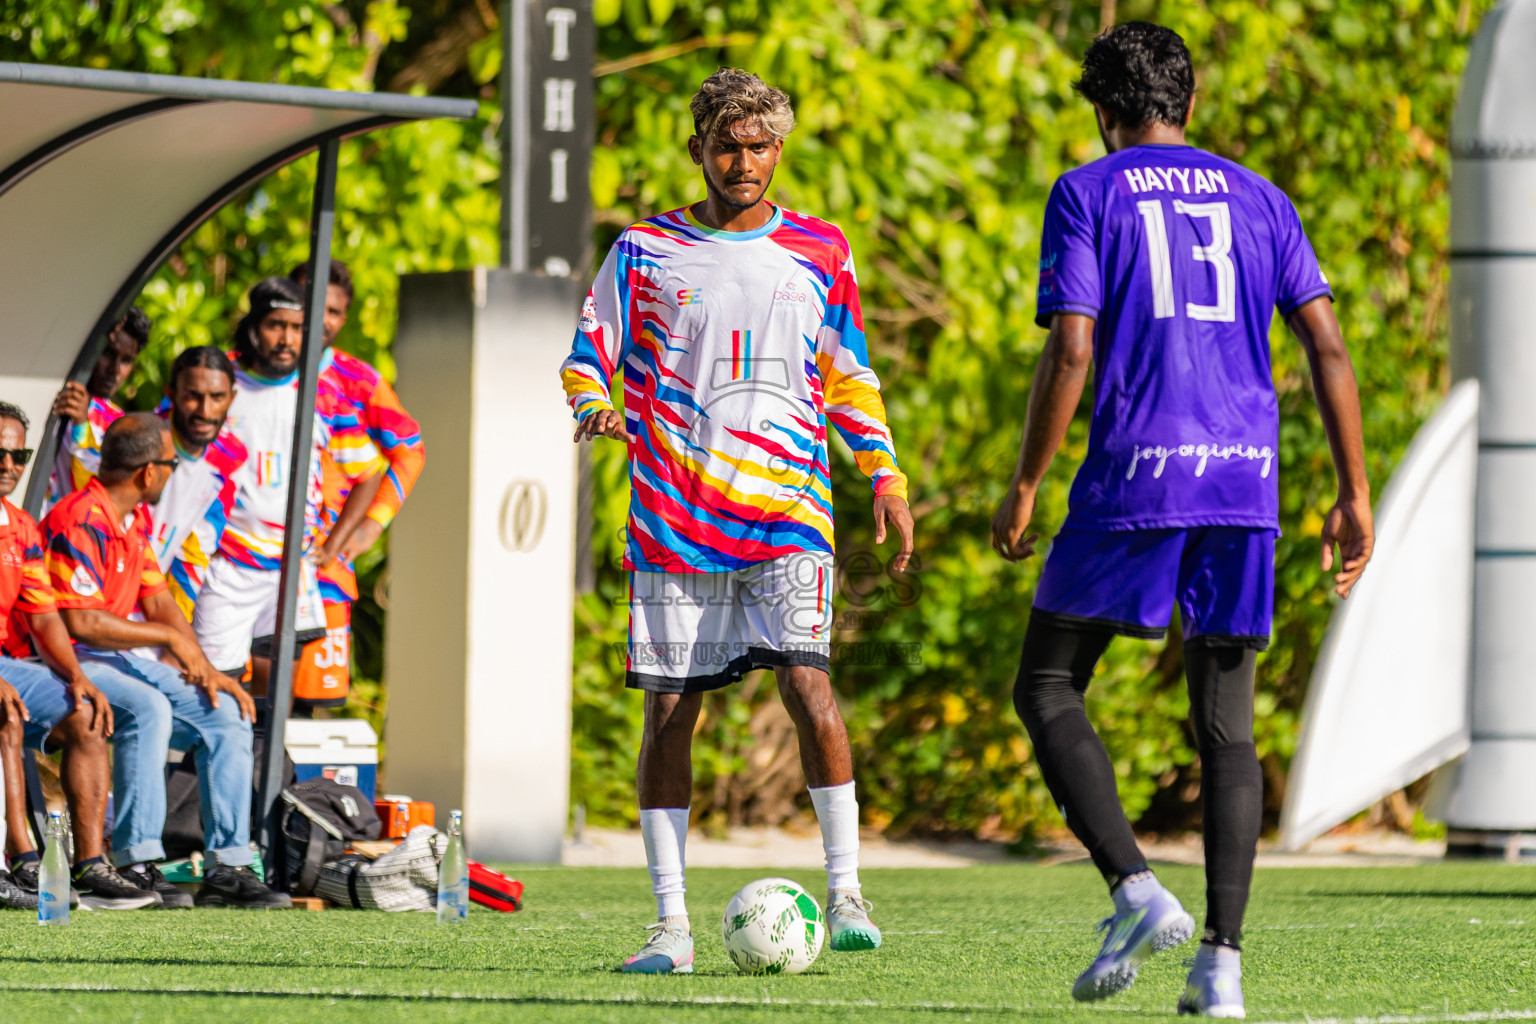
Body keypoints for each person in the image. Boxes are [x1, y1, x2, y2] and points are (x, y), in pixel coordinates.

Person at [989, 23, 1373, 1017]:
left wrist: (1028, 481)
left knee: (1047, 682)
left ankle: (1133, 887)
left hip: (1136, 478)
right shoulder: (1261, 197)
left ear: (1104, 115)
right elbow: (1327, 345)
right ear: (1189, 104)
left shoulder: (1087, 190)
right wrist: (1353, 490)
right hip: (1244, 482)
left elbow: (1072, 350)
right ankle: (1223, 964)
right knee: (1225, 726)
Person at [559, 67, 916, 974]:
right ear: (697, 151)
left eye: (759, 146)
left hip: (789, 512)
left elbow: (849, 373)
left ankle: (845, 892)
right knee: (669, 714)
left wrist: (885, 475)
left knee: (809, 687)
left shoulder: (823, 252)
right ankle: (671, 928)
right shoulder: (644, 250)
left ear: (779, 150)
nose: (743, 161)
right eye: (727, 145)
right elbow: (586, 351)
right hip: (674, 517)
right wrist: (594, 402)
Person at [46, 412, 290, 908]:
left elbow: (159, 602)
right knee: (149, 708)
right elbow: (80, 623)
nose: (173, 470)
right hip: (66, 661)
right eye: (171, 463)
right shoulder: (81, 517)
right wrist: (168, 640)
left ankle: (230, 866)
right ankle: (139, 862)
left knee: (225, 712)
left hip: (114, 660)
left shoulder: (131, 521)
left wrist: (207, 670)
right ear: (147, 473)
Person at [0, 402, 160, 911]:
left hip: (13, 666)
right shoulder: (75, 518)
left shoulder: (21, 527)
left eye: (18, 453)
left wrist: (76, 676)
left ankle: (90, 866)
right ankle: (21, 854)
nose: (8, 464)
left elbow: (44, 616)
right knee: (4, 713)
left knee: (86, 712)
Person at [191, 277, 383, 686]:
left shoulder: (324, 395)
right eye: (276, 325)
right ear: (253, 326)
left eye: (297, 328)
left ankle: (268, 753)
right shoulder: (218, 382)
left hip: (291, 570)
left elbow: (369, 472)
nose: (286, 338)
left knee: (273, 699)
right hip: (224, 564)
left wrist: (332, 546)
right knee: (212, 693)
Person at [288, 259, 426, 709]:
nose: (319, 319)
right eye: (309, 304)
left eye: (331, 310)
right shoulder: (242, 372)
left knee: (306, 707)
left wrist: (372, 525)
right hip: (246, 565)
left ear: (343, 317)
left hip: (325, 573)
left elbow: (410, 450)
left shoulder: (359, 381)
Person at [46, 307, 151, 509]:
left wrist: (81, 428)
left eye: (126, 360)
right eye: (108, 353)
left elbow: (104, 495)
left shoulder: (121, 427)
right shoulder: (55, 388)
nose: (115, 369)